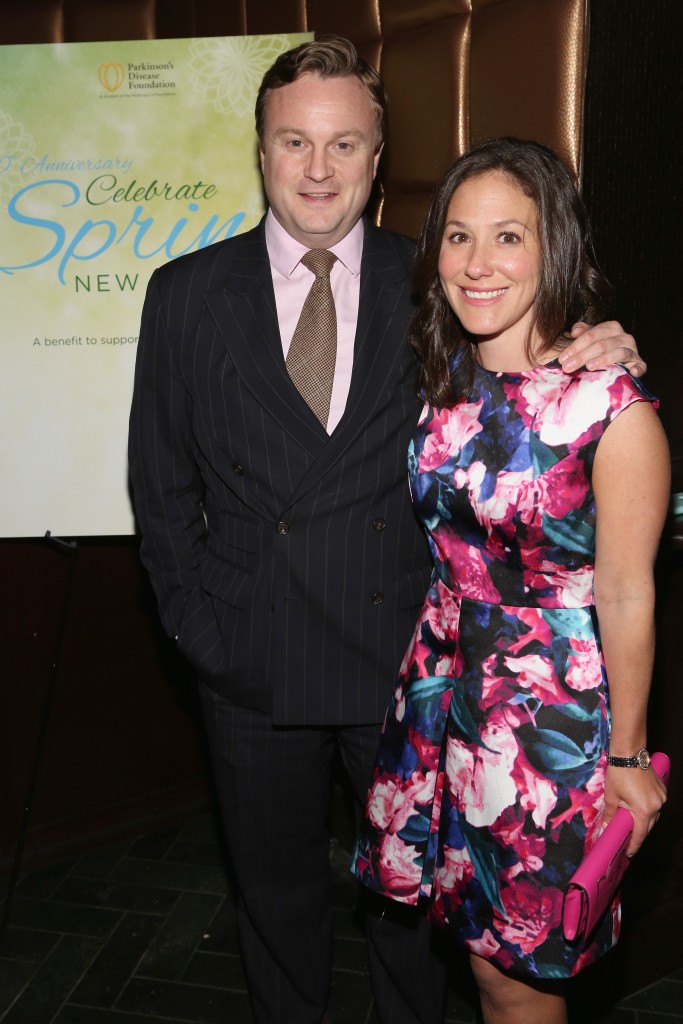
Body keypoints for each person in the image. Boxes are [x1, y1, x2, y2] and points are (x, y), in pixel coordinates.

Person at [128, 36, 646, 1024]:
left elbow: (538, 383)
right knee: (272, 900)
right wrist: (201, 629)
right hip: (249, 656)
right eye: (293, 141)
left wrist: (603, 341)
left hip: (405, 665)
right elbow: (159, 486)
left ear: (376, 158)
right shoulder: (186, 294)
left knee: (412, 918)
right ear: (262, 151)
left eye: (343, 144)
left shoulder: (442, 282)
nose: (317, 168)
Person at [351, 137, 669, 1024]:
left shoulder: (609, 410)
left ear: (552, 248)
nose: (477, 263)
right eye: (458, 237)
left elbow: (627, 594)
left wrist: (627, 759)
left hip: (542, 722)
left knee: (516, 973)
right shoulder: (445, 377)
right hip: (440, 692)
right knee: (480, 961)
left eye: (507, 237)